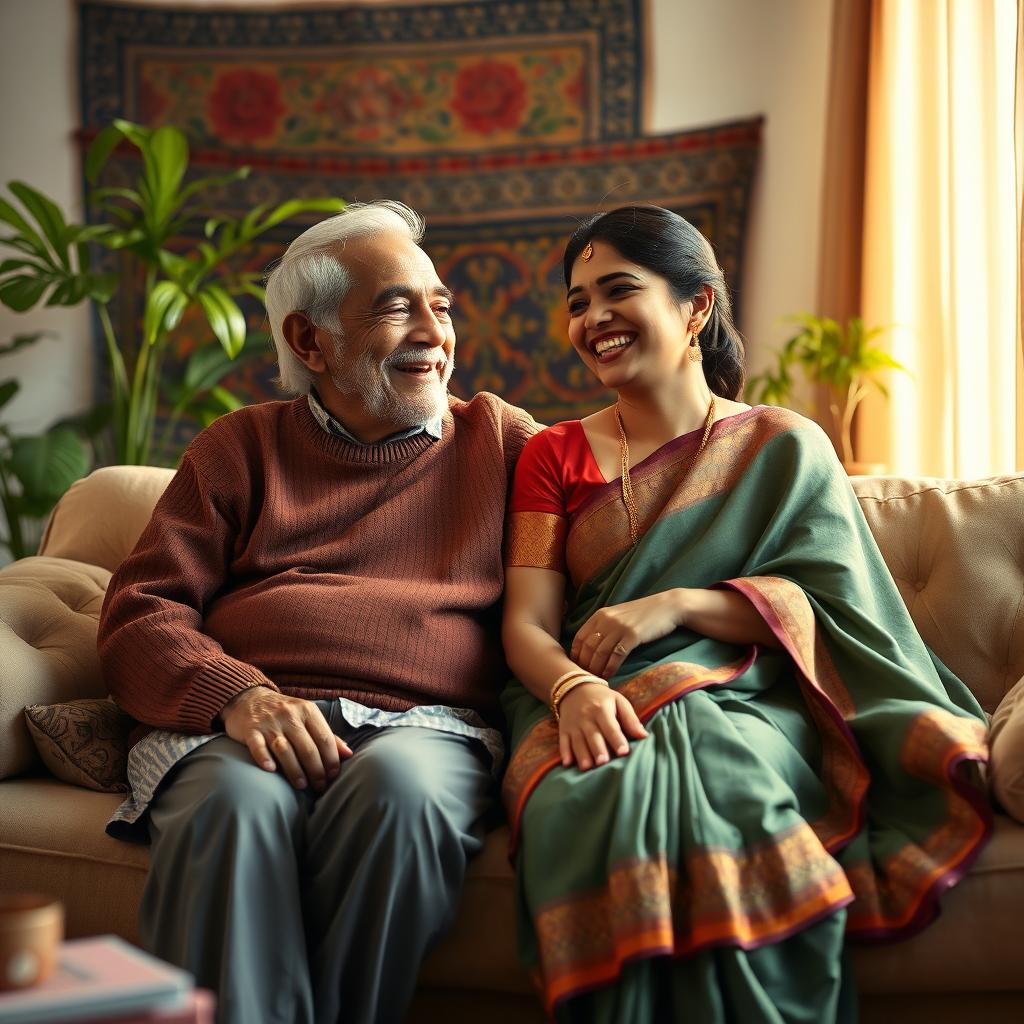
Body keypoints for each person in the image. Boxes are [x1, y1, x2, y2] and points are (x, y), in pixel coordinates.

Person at [500, 204, 991, 1023]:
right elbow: (525, 626)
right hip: (584, 694)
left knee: (737, 782)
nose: (592, 319)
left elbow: (837, 614)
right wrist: (572, 693)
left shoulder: (783, 445)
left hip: (751, 695)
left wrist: (676, 605)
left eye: (618, 290)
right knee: (577, 805)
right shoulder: (553, 454)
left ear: (696, 307)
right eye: (578, 301)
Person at [97, 200, 537, 1024]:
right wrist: (235, 695)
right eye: (397, 307)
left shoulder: (505, 444)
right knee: (233, 806)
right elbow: (139, 613)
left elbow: (619, 538)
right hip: (243, 718)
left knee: (402, 794)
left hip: (427, 725)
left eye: (440, 306)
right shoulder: (238, 448)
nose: (433, 332)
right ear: (310, 341)